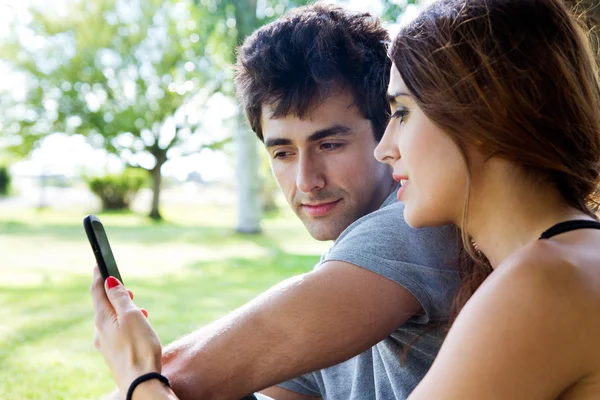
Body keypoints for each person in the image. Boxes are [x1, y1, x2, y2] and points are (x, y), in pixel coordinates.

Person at [91, 4, 460, 400]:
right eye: (283, 153)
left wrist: (136, 371)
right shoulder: (348, 263)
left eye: (330, 144)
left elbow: (179, 376)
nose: (307, 181)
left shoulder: (408, 229)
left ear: (388, 131)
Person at [372, 0, 600, 398]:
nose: (385, 148)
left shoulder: (543, 284)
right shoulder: (576, 257)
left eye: (402, 112)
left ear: (480, 114)